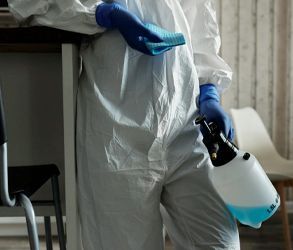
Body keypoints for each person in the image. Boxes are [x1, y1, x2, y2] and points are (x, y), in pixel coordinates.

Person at [8, 0, 239, 249]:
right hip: (118, 133)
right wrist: (103, 14)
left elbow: (199, 21)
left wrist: (209, 92)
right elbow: (28, 4)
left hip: (187, 123)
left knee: (221, 243)